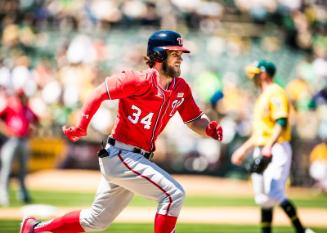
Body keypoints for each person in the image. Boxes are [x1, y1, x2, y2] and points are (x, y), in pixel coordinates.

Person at [20, 30, 223, 233]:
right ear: (159, 55)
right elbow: (99, 93)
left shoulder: (180, 87)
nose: (180, 59)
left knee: (95, 221)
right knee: (173, 194)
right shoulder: (136, 80)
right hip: (121, 154)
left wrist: (208, 129)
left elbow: (194, 119)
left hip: (135, 158)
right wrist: (82, 125)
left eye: (180, 54)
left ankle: (34, 228)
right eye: (175, 54)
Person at [231, 60, 315, 233]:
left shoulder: (276, 92)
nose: (252, 77)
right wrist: (243, 149)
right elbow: (260, 133)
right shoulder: (262, 96)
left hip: (277, 147)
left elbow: (281, 122)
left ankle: (302, 230)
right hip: (262, 147)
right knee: (263, 198)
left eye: (255, 74)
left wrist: (269, 146)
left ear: (263, 74)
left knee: (275, 190)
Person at [0, 88, 39, 206]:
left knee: (23, 169)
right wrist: (6, 130)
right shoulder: (10, 108)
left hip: (24, 140)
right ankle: (3, 194)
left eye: (21, 96)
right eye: (18, 96)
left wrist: (33, 131)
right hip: (11, 140)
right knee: (7, 168)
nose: (20, 98)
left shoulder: (27, 109)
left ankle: (23, 194)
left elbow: (36, 121)